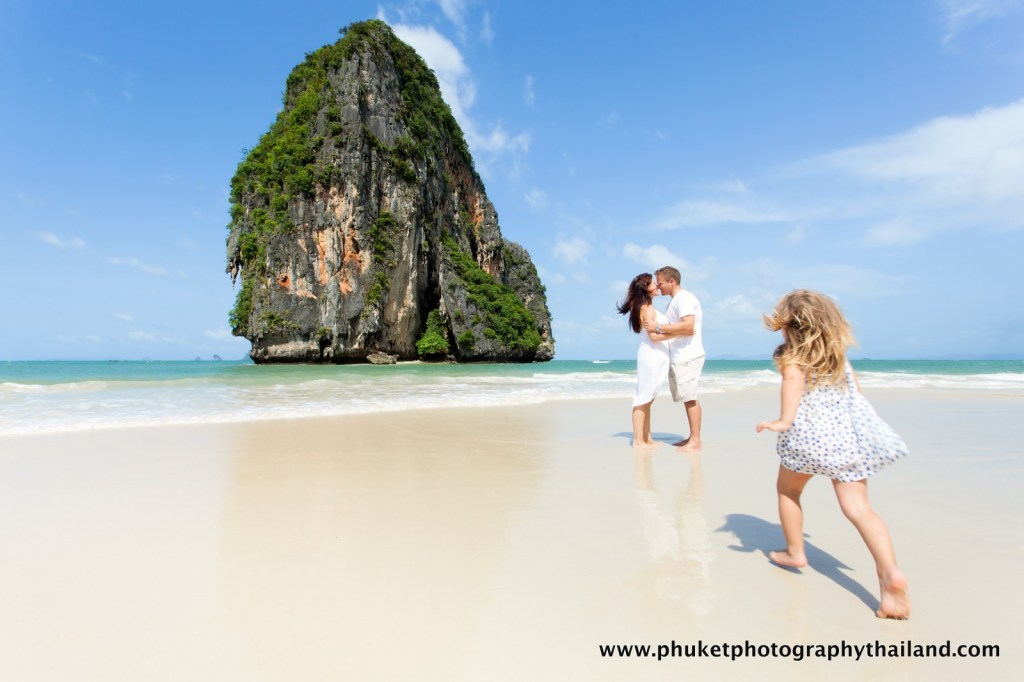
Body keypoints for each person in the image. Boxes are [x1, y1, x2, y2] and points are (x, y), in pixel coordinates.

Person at [756, 289, 910, 619]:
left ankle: (796, 552)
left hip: (806, 442)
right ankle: (890, 573)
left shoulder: (791, 359)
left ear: (789, 326)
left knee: (788, 491)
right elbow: (857, 396)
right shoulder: (839, 356)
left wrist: (778, 422)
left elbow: (791, 398)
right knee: (858, 507)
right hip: (844, 441)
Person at [644, 266, 704, 452]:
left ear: (672, 281)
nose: (658, 286)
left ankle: (695, 441)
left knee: (690, 397)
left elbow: (688, 327)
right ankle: (691, 438)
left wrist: (658, 328)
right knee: (686, 397)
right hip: (680, 355)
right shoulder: (674, 302)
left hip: (688, 354)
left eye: (660, 282)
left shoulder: (684, 299)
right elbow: (681, 328)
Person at [617, 273, 673, 448]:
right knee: (642, 398)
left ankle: (647, 438)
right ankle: (638, 440)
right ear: (645, 288)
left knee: (648, 398)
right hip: (651, 355)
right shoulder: (646, 308)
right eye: (652, 284)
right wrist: (677, 332)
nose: (656, 285)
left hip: (654, 355)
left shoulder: (644, 306)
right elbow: (655, 337)